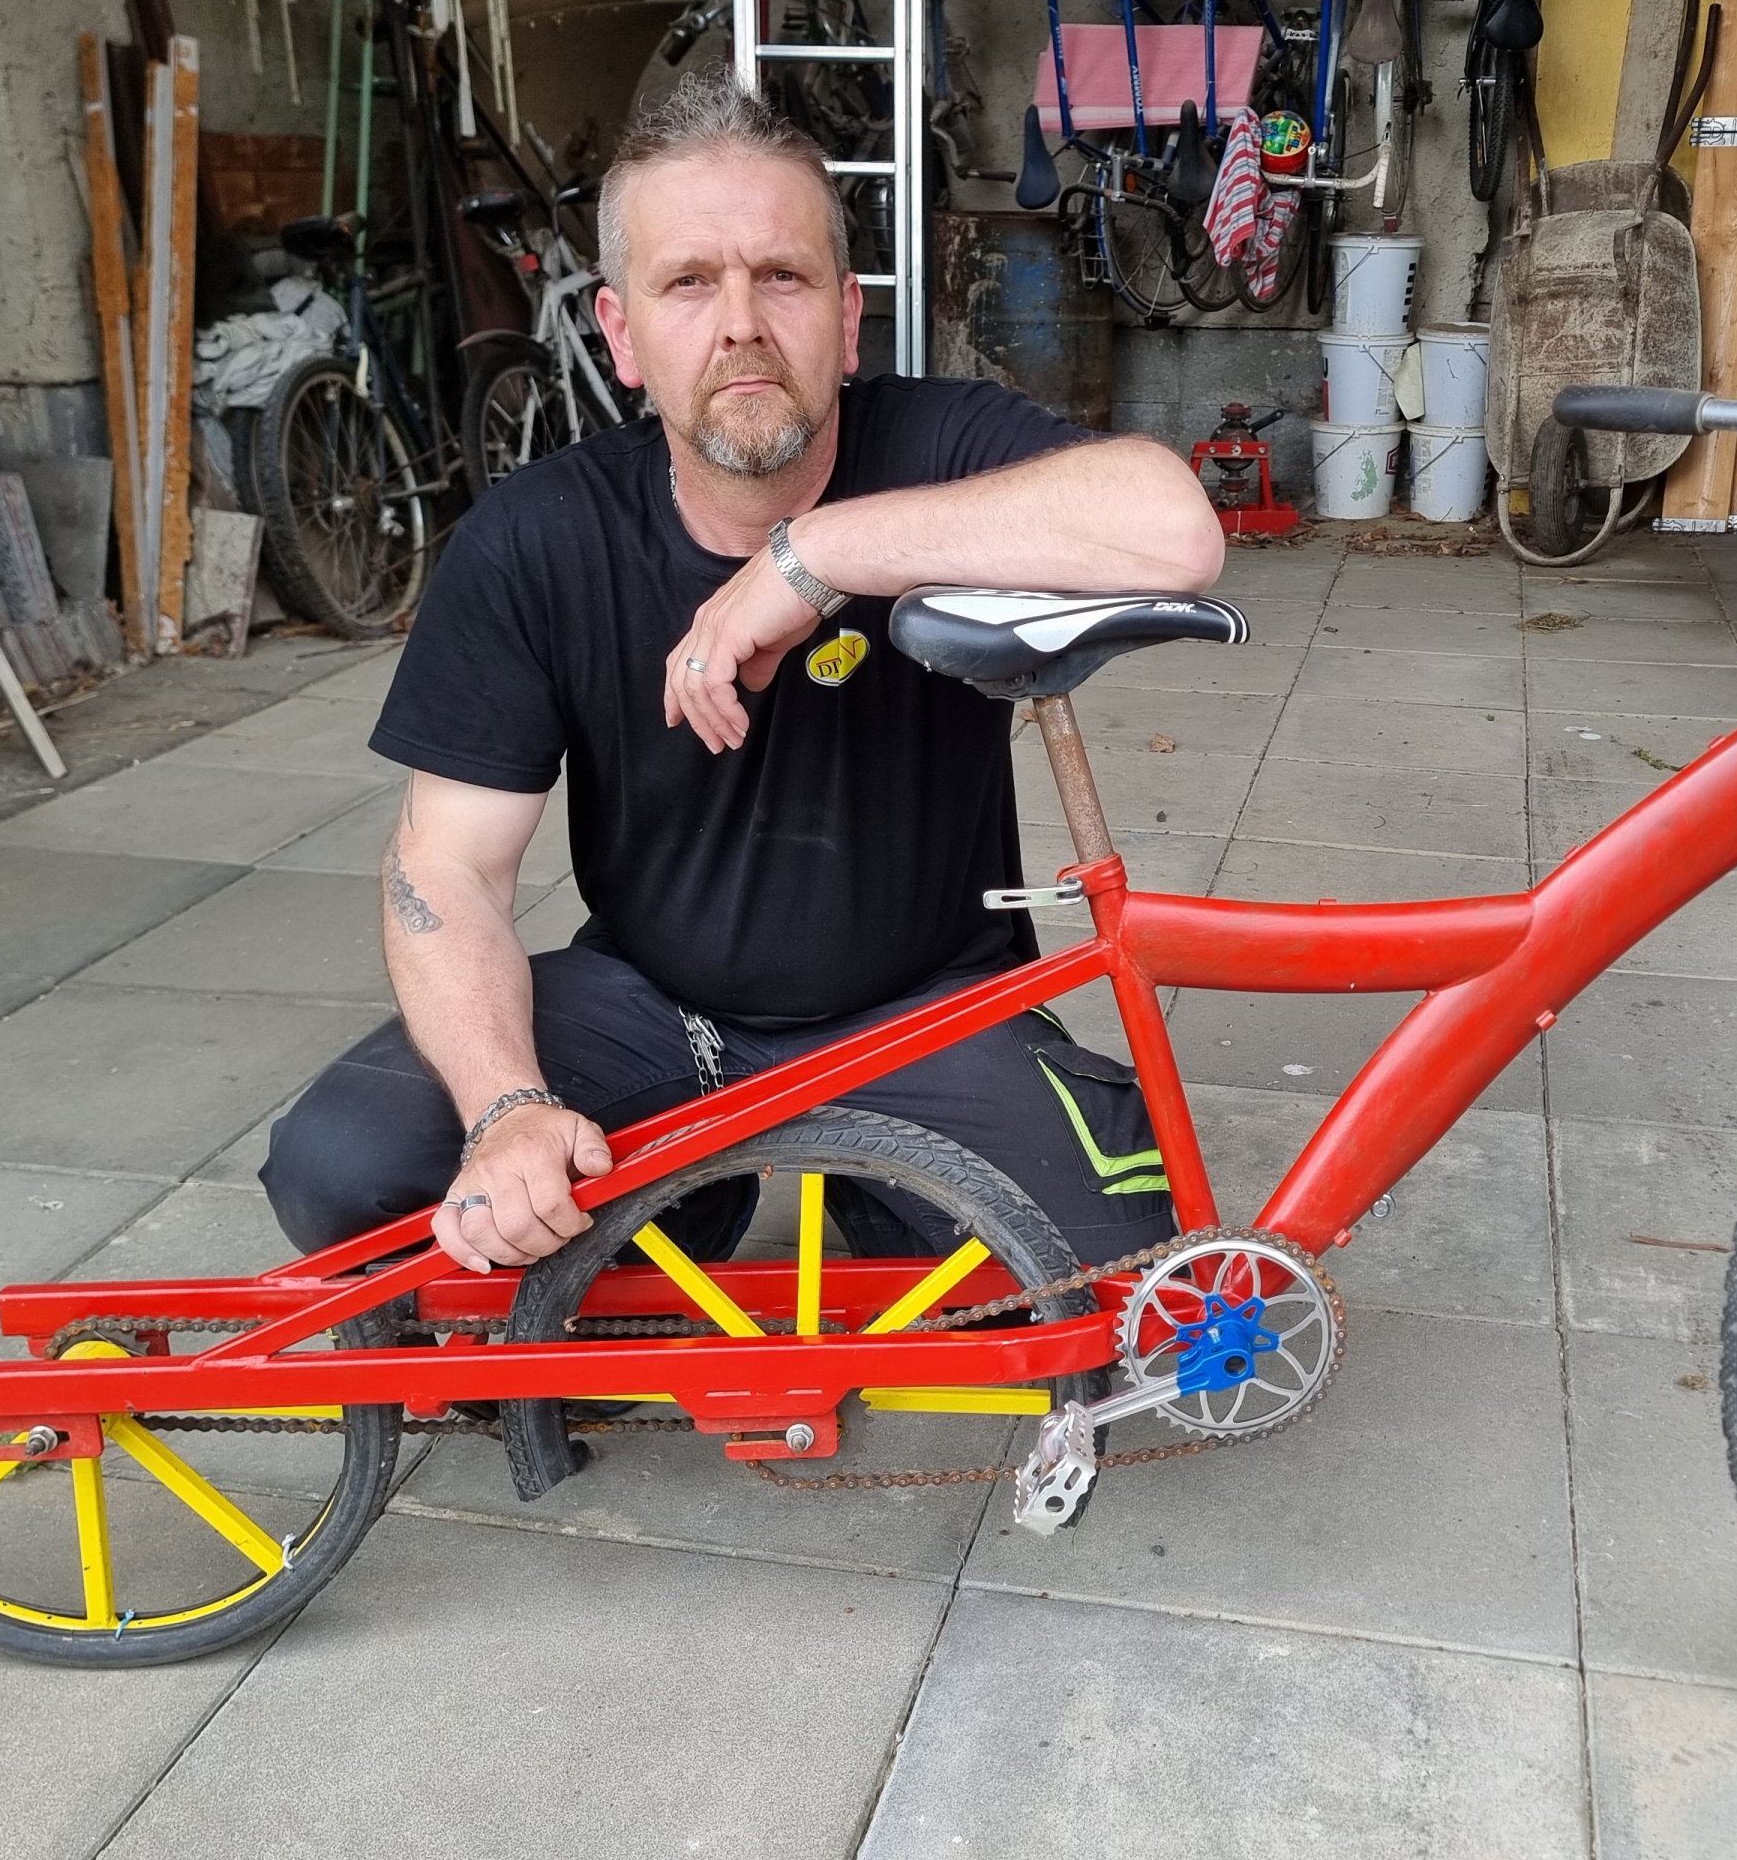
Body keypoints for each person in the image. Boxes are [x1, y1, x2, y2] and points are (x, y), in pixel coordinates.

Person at [260, 72, 1221, 1281]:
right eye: (688, 283)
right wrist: (508, 1103)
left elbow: (1175, 527)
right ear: (620, 335)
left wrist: (814, 555)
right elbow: (445, 865)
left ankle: (866, 1189)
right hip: (656, 1007)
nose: (741, 324)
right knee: (345, 1165)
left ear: (848, 316)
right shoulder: (537, 537)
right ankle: (681, 1198)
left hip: (931, 1011)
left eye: (783, 276)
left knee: (1133, 1273)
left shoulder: (943, 446)